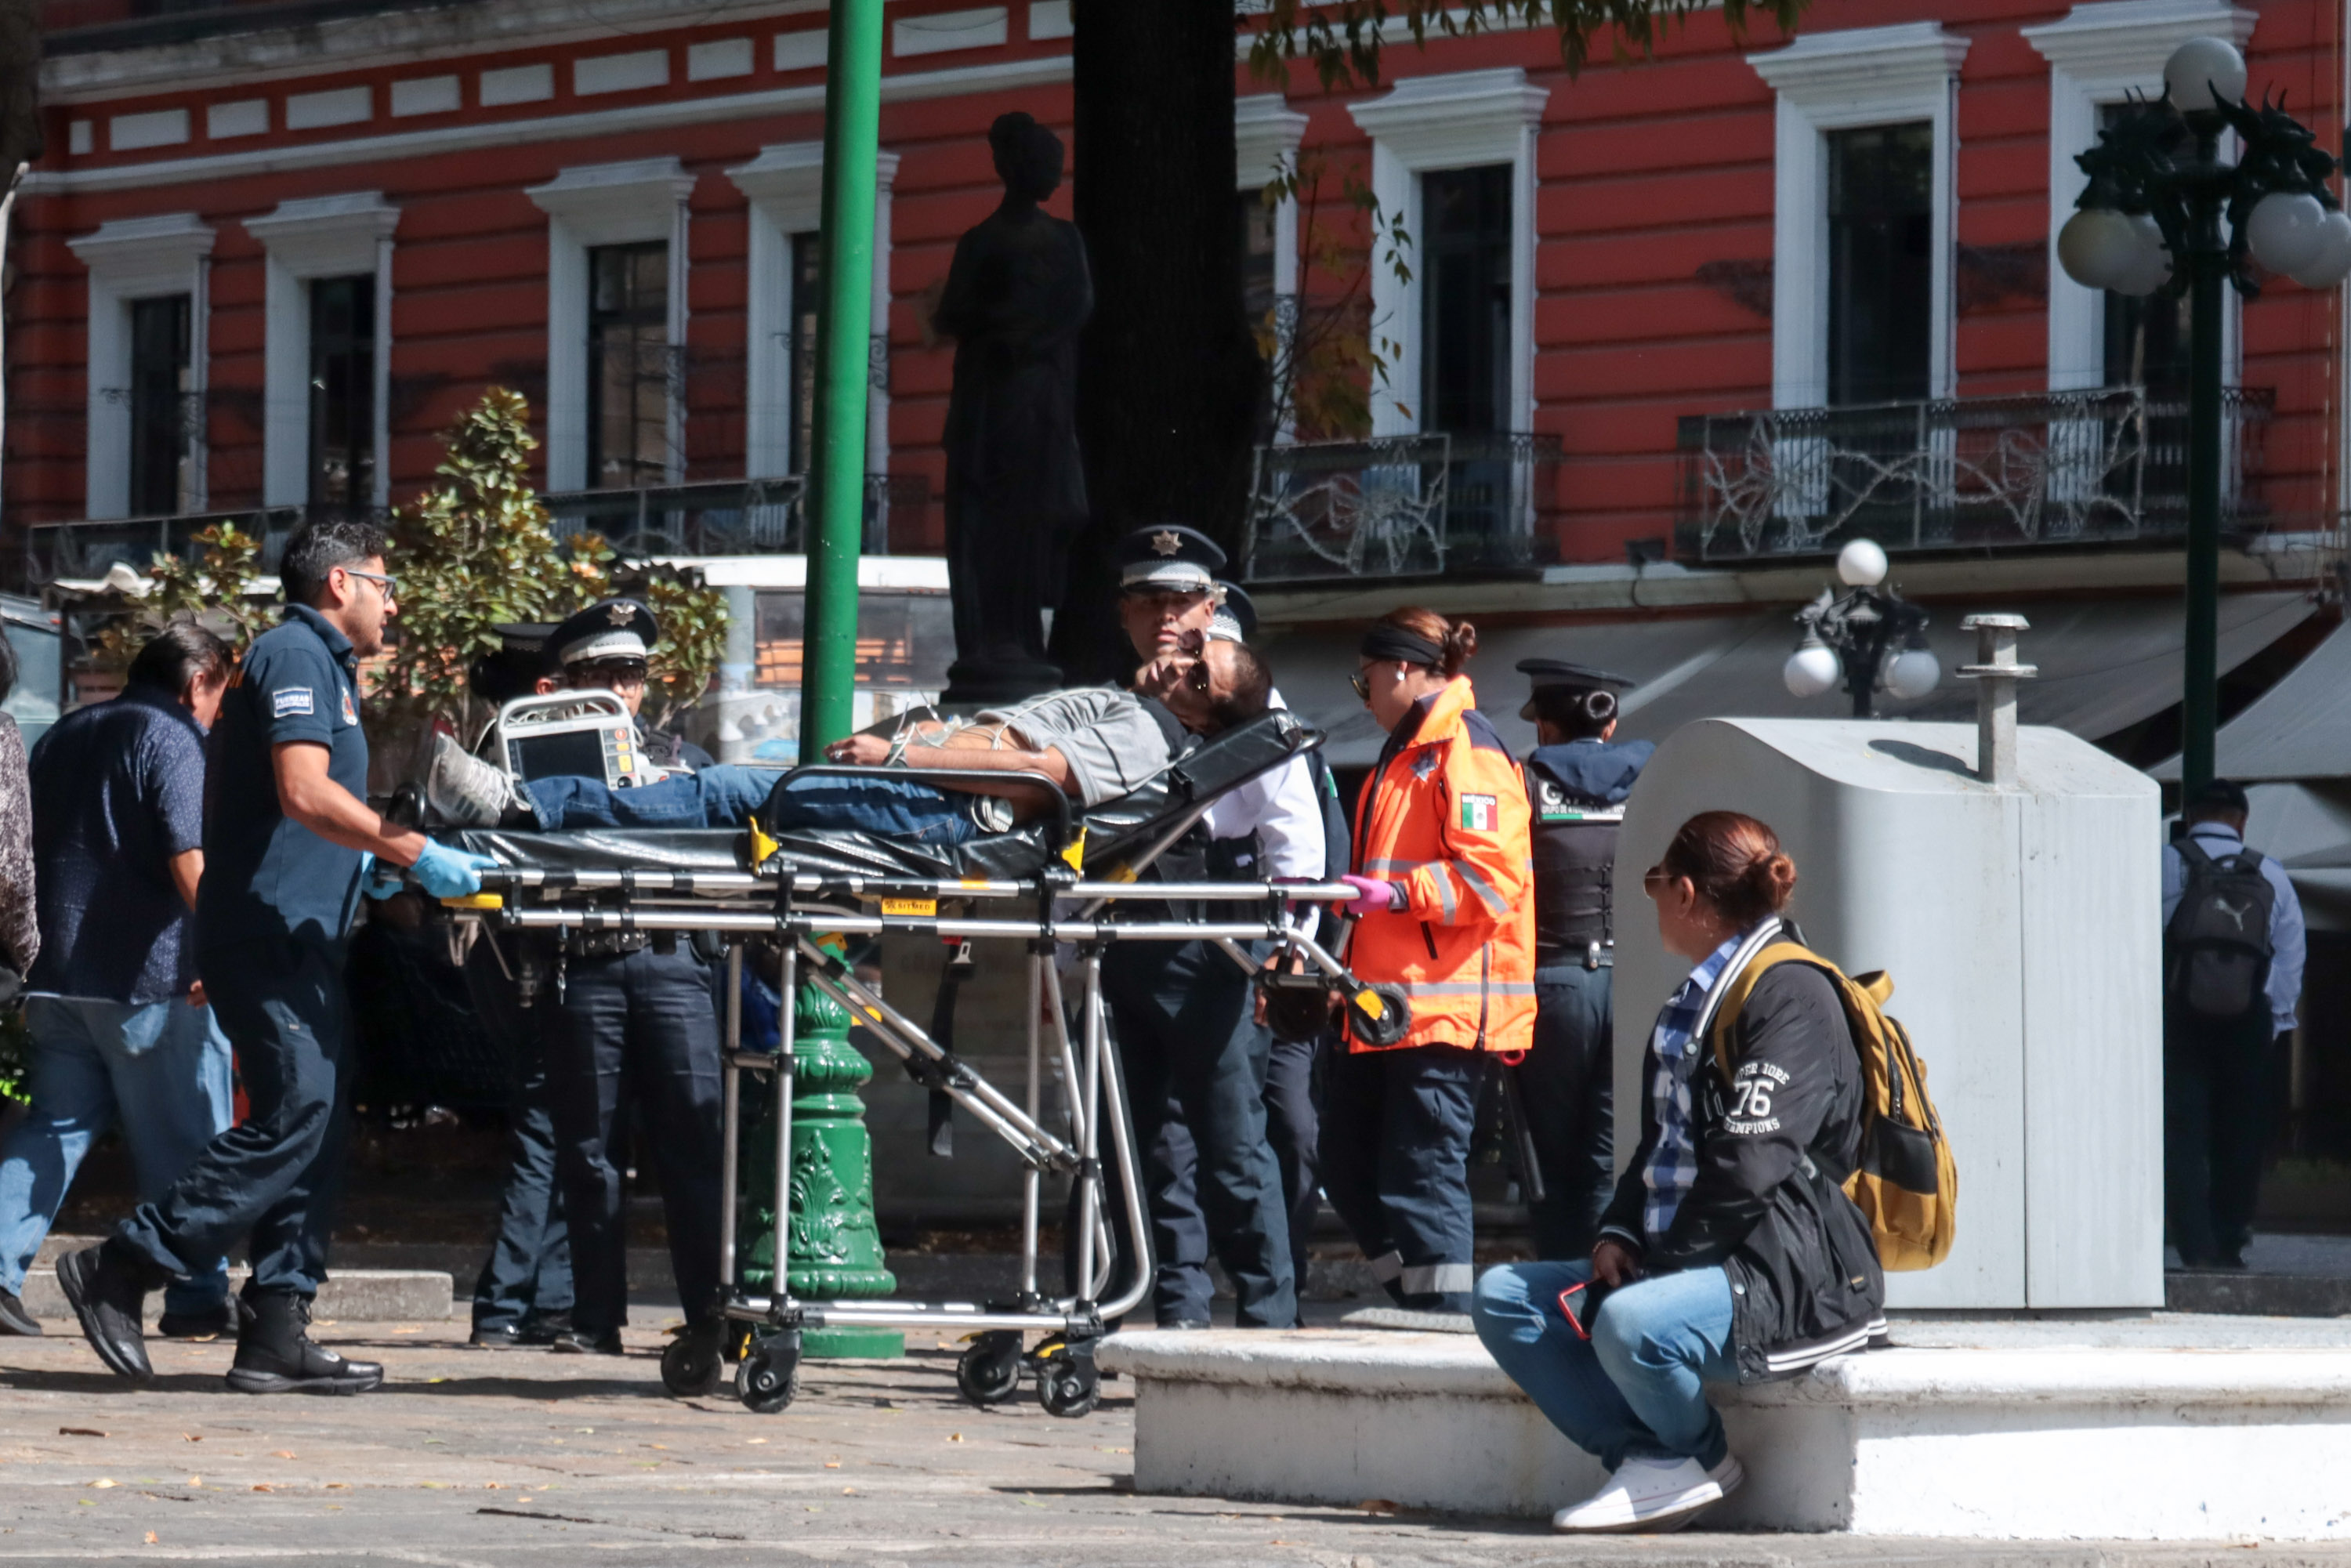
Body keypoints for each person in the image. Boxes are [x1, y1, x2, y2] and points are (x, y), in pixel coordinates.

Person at [58, 520, 498, 1395]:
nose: (393, 599)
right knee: (296, 1109)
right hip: (267, 933)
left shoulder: (321, 668)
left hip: (298, 932)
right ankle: (124, 1265)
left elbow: (295, 805)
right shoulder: (297, 653)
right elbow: (302, 792)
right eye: (383, 581)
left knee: (321, 1122)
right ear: (341, 584)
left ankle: (277, 1329)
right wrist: (406, 850)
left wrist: (364, 864)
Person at [1470, 811, 1884, 1534]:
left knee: (1630, 1323)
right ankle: (1652, 1458)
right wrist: (1620, 1231)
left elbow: (1749, 1164)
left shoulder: (1791, 993)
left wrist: (1661, 1271)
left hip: (1788, 1276)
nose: (1652, 898)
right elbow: (1661, 1144)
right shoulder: (1695, 998)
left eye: (1653, 882)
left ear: (1686, 893)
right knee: (1508, 1295)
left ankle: (1699, 1455)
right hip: (1695, 1264)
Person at [1100, 531, 1310, 1329]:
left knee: (1233, 1150)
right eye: (1149, 601)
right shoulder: (1115, 701)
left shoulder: (1250, 694)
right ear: (1125, 613)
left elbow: (1293, 835)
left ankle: (1268, 1323)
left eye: (1182, 600)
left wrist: (1291, 948)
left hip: (1218, 943)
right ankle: (1176, 1317)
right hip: (1121, 941)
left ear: (1213, 607)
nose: (1166, 617)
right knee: (1142, 1148)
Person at [0, 625, 234, 1341]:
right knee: (189, 1140)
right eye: (224, 693)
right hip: (152, 978)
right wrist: (225, 950)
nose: (222, 711)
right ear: (199, 681)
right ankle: (196, 1295)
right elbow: (188, 855)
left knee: (51, 1130)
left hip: (56, 974)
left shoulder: (66, 732)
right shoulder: (172, 736)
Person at [424, 640, 1270, 838]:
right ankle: (554, 802)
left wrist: (901, 753)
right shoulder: (1135, 704)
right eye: (1193, 650)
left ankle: (520, 805)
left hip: (947, 815)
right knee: (743, 789)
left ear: (1205, 718)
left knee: (742, 792)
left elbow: (1041, 779)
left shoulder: (1151, 734)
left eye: (1201, 677)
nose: (1179, 661)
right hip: (940, 795)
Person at [1320, 607, 1534, 1316]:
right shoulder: (1412, 750)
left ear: (1404, 669)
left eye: (1367, 678)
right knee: (1349, 1168)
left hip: (1442, 1009)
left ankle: (1443, 1331)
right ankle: (1416, 1305)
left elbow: (1491, 881)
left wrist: (1394, 894)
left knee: (1422, 1174)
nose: (1366, 693)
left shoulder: (1463, 749)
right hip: (1390, 1007)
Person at [1516, 659, 1655, 1262]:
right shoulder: (1651, 779)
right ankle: (1602, 1288)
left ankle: (1554, 1287)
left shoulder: (1521, 784)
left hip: (1552, 984)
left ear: (1544, 727)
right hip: (1635, 985)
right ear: (1611, 721)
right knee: (1609, 1154)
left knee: (1547, 1159)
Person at [459, 622, 573, 1349]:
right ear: (545, 690)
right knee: (547, 1128)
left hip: (508, 965)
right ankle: (506, 1301)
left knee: (559, 1129)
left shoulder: (484, 746)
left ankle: (547, 1298)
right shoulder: (523, 746)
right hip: (532, 966)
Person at [2161, 777, 2306, 1270]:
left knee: (2182, 1134)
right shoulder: (2272, 873)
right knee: (2240, 1136)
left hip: (2178, 1018)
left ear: (2190, 815)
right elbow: (2290, 959)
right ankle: (2229, 1240)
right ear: (2242, 821)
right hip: (2247, 1021)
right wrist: (2271, 1021)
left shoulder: (2164, 864)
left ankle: (2194, 1244)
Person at [545, 599, 713, 771]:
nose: (617, 690)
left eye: (629, 676)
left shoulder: (688, 763)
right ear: (573, 685)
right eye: (600, 677)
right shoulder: (546, 759)